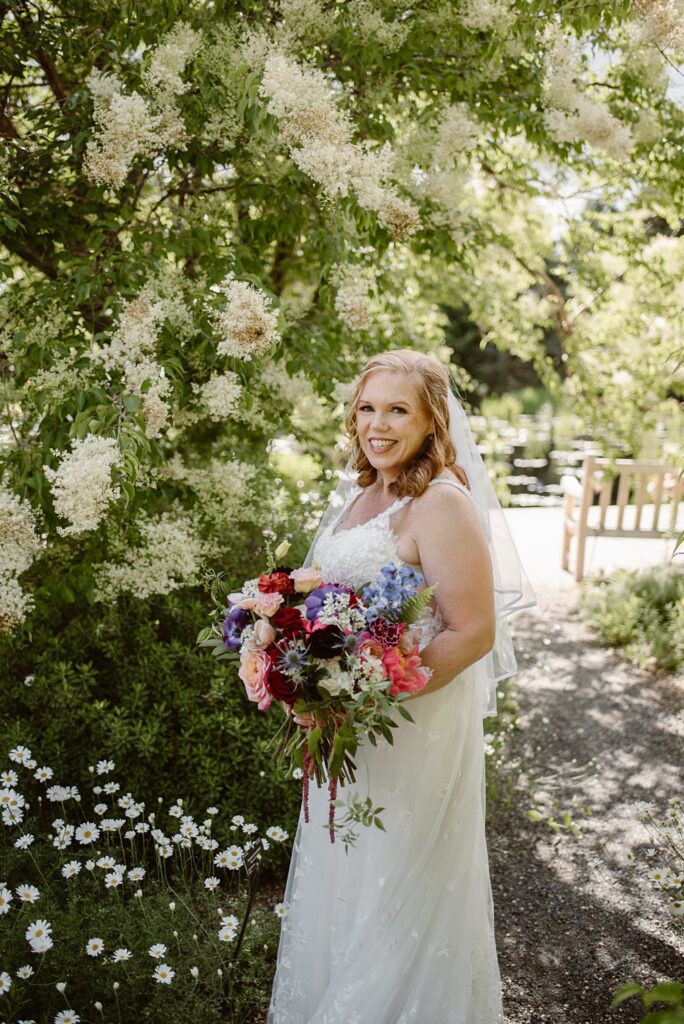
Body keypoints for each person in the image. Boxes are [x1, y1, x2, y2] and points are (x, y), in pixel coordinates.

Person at [267, 349, 535, 1024]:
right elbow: (323, 599)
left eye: (397, 410)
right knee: (349, 874)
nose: (376, 425)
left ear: (430, 420)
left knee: (396, 883)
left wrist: (363, 693)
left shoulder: (440, 502)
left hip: (407, 726)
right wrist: (289, 658)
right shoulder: (366, 493)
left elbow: (472, 632)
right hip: (352, 728)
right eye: (366, 408)